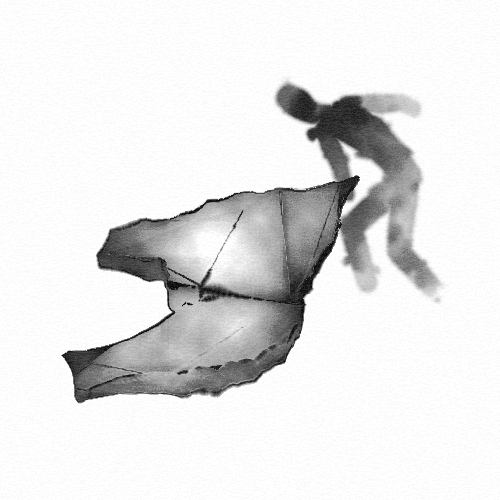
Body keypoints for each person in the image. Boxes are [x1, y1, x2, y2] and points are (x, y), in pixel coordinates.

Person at [276, 83, 442, 301]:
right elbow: (383, 101)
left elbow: (338, 162)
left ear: (299, 116)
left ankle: (367, 280)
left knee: (353, 227)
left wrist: (345, 189)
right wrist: (408, 105)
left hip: (399, 179)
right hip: (408, 174)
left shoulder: (325, 129)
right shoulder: (348, 104)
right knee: (398, 250)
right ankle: (437, 292)